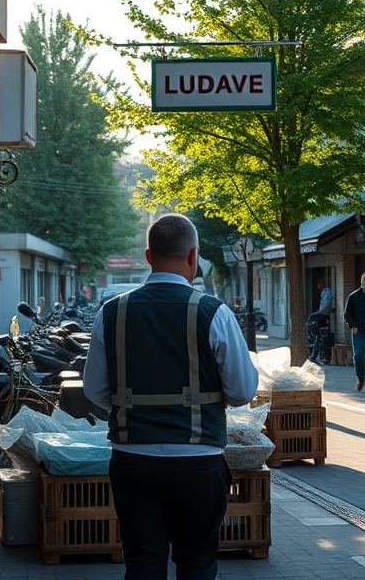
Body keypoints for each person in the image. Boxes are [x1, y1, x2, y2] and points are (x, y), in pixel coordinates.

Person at [83, 213, 258, 580]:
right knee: (196, 564)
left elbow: (95, 391)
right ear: (193, 256)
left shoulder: (111, 312)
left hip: (132, 460)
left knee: (143, 565)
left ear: (148, 255)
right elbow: (242, 392)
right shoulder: (214, 312)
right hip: (198, 460)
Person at [308, 277, 334, 363]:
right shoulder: (324, 292)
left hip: (324, 315)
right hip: (323, 314)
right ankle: (314, 351)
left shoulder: (326, 292)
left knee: (311, 319)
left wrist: (320, 312)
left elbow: (325, 307)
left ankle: (316, 353)